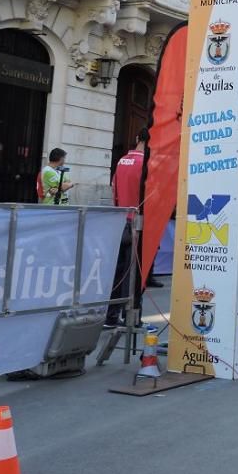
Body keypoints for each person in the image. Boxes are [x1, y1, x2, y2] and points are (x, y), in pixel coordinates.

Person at [106, 129, 150, 327]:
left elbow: (114, 190)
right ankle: (130, 315)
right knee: (135, 272)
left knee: (117, 270)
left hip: (121, 219)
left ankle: (111, 315)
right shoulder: (147, 165)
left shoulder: (122, 160)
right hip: (139, 223)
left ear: (136, 138)